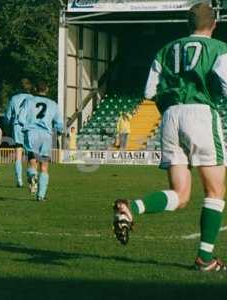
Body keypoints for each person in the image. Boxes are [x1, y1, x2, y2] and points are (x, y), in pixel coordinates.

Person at [113, 3, 227, 272]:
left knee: (181, 194)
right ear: (215, 23)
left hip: (169, 117)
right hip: (200, 113)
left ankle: (132, 208)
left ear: (188, 24)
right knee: (215, 191)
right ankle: (204, 259)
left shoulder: (166, 49)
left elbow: (149, 91)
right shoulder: (219, 48)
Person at [20, 81, 63, 201]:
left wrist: (24, 129)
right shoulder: (53, 104)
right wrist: (58, 131)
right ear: (47, 89)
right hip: (46, 135)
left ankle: (33, 176)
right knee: (44, 166)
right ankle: (41, 196)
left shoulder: (29, 101)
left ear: (35, 88)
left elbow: (21, 118)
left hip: (32, 133)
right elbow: (59, 124)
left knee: (32, 161)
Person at [4, 79, 34, 187]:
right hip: (30, 127)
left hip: (17, 126)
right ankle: (31, 174)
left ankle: (19, 180)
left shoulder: (14, 98)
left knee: (18, 154)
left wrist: (7, 125)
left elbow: (7, 116)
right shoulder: (33, 99)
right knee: (31, 153)